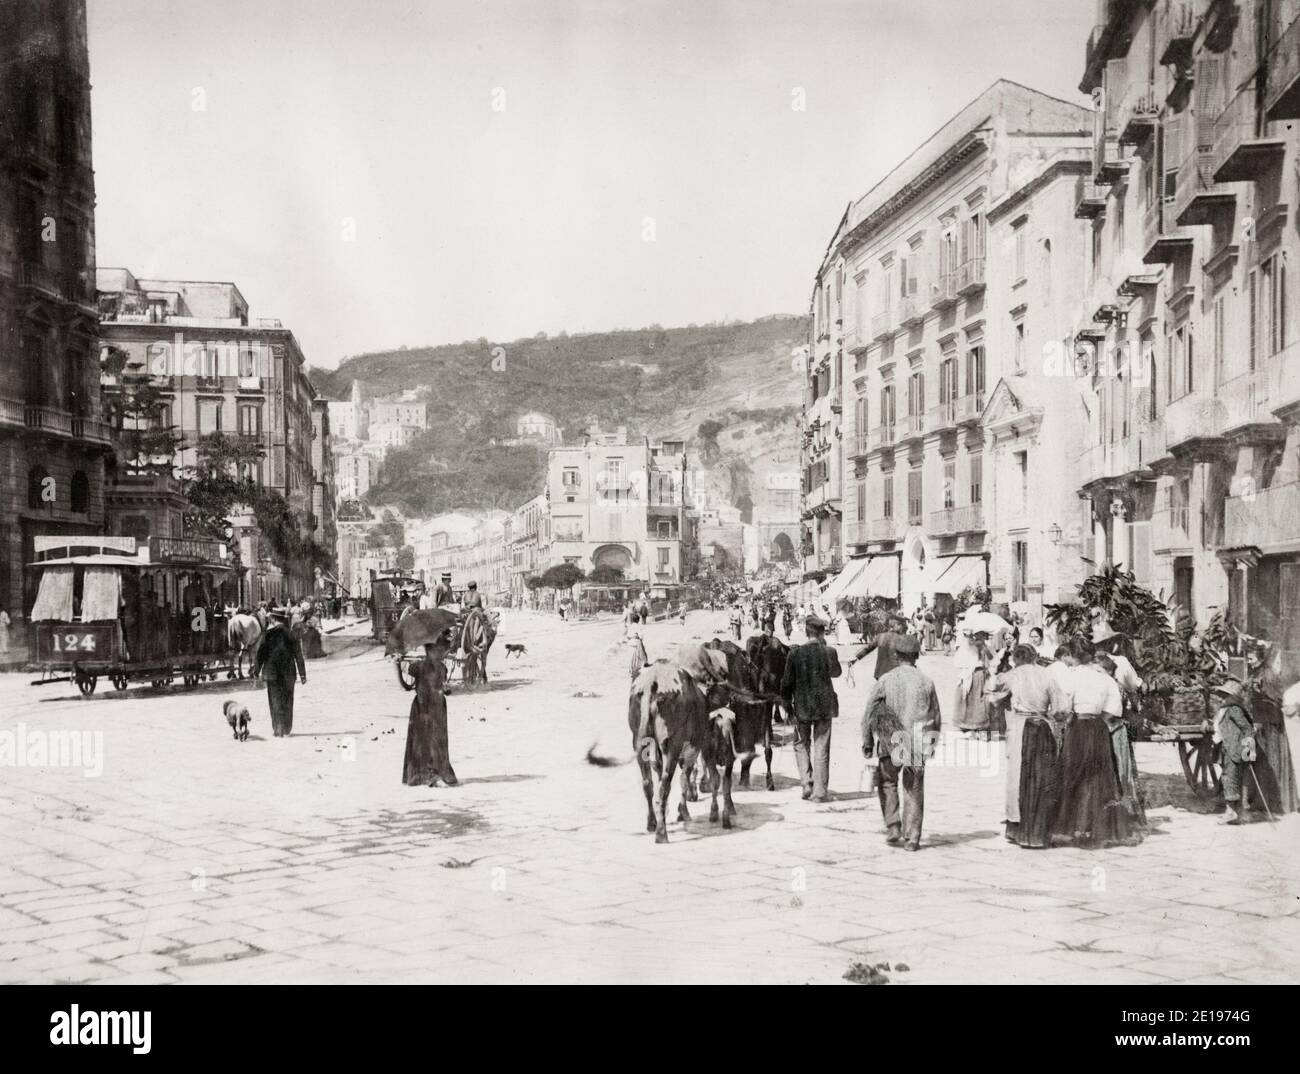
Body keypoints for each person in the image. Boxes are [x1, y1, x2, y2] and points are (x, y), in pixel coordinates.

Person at [1052, 636, 1141, 847]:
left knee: (1073, 774)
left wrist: (1069, 717)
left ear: (1074, 656)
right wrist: (1099, 722)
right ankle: (1095, 827)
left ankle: (1073, 827)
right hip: (1099, 729)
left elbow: (1063, 707)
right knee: (1098, 777)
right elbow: (1114, 710)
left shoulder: (1072, 677)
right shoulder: (1105, 678)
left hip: (1078, 729)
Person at [862, 634, 940, 851]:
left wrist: (867, 741)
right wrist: (931, 742)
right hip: (917, 742)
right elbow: (936, 715)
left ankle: (893, 825)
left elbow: (870, 712)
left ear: (895, 655)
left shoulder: (885, 680)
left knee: (887, 782)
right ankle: (913, 837)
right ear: (916, 656)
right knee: (914, 787)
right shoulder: (927, 682)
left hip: (889, 741)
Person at [988, 644, 1068, 847]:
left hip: (1020, 727)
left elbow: (992, 692)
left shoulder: (1012, 675)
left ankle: (1016, 827)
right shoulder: (1047, 675)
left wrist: (994, 669)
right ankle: (1039, 828)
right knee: (1042, 777)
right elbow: (1061, 708)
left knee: (1017, 777)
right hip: (1042, 727)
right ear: (1034, 657)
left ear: (1015, 658)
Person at [780, 614, 842, 802]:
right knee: (821, 748)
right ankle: (820, 792)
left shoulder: (795, 654)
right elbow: (837, 672)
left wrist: (787, 707)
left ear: (806, 633)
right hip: (824, 708)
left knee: (801, 744)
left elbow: (786, 684)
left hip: (802, 708)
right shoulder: (829, 652)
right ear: (822, 633)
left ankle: (807, 783)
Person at [1244, 647, 1298, 815]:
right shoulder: (1255, 672)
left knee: (1271, 761)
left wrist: (1261, 720)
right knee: (1259, 761)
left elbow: (1275, 700)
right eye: (1248, 658)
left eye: (1251, 658)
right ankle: (1260, 801)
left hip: (1270, 724)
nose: (1249, 661)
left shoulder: (1268, 674)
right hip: (1259, 721)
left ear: (1259, 658)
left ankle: (1274, 803)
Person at [403, 636, 458, 787]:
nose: (440, 654)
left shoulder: (442, 668)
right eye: (437, 650)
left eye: (441, 651)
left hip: (438, 707)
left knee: (437, 740)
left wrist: (446, 690)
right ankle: (426, 775)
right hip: (422, 707)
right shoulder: (418, 667)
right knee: (422, 741)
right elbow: (406, 685)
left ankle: (437, 773)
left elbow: (444, 687)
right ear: (429, 651)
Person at [253, 609, 307, 737]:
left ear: (273, 619)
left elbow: (260, 654)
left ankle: (278, 728)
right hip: (289, 673)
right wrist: (303, 674)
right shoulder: (291, 634)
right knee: (288, 700)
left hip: (272, 673)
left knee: (274, 699)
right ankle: (287, 728)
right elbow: (298, 655)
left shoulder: (268, 634)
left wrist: (256, 671)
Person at [1212, 680, 1256, 825]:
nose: (1223, 698)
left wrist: (1248, 753)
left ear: (1234, 697)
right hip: (1226, 748)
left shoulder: (1234, 709)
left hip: (1235, 749)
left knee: (1230, 778)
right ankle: (1236, 813)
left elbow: (1248, 729)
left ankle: (1231, 812)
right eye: (1222, 695)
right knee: (1228, 777)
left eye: (1227, 695)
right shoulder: (1223, 709)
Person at [953, 630, 991, 735]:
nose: (970, 638)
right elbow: (958, 662)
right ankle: (965, 723)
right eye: (967, 636)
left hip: (979, 674)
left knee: (978, 698)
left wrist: (983, 650)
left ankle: (978, 723)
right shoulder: (964, 648)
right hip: (967, 675)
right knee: (967, 698)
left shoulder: (983, 646)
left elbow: (992, 659)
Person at [848, 613, 906, 680]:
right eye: (902, 625)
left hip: (880, 673)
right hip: (895, 673)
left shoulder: (880, 636)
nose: (903, 628)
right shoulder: (901, 639)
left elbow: (868, 649)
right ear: (897, 625)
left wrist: (856, 658)